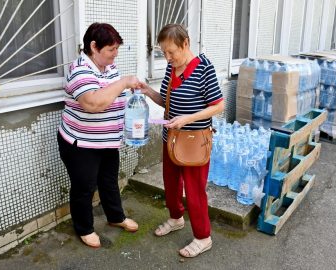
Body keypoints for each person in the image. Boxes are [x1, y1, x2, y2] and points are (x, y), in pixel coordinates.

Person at [139, 24, 224, 258]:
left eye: (172, 52)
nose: (167, 58)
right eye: (163, 53)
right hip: (171, 139)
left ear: (185, 44)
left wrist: (188, 118)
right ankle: (176, 218)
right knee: (171, 183)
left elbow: (218, 105)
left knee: (195, 190)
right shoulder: (171, 68)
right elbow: (166, 102)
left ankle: (203, 237)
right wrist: (147, 90)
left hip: (194, 141)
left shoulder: (204, 69)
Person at [57, 23, 139, 248]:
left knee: (109, 181)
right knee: (84, 187)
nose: (115, 54)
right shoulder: (79, 69)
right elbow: (93, 103)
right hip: (80, 143)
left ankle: (116, 217)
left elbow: (114, 97)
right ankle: (84, 228)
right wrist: (123, 82)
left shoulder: (109, 68)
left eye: (116, 49)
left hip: (108, 141)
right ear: (94, 46)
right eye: (111, 49)